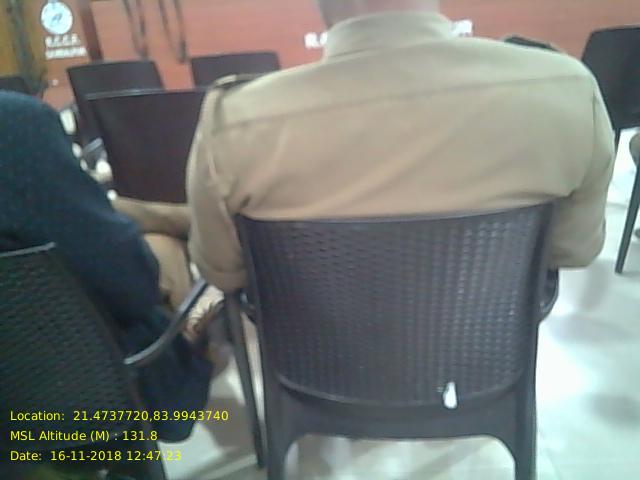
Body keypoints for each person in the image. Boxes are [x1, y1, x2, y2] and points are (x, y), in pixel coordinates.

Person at [187, 0, 615, 295]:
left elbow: (223, 273)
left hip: (313, 369)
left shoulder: (234, 124)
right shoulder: (567, 90)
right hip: (487, 364)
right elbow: (573, 250)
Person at [0, 91, 212, 442]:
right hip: (77, 396)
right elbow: (133, 285)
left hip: (18, 396)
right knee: (163, 252)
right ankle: (191, 330)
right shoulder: (15, 124)